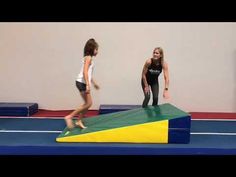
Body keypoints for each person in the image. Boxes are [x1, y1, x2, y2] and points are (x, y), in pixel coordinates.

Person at [64, 38, 100, 130]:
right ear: (92, 49)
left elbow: (88, 74)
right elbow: (84, 72)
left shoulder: (89, 58)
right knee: (88, 104)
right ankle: (69, 117)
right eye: (96, 49)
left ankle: (79, 120)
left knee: (87, 104)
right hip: (81, 82)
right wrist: (88, 84)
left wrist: (94, 83)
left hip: (81, 82)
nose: (97, 51)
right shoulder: (88, 58)